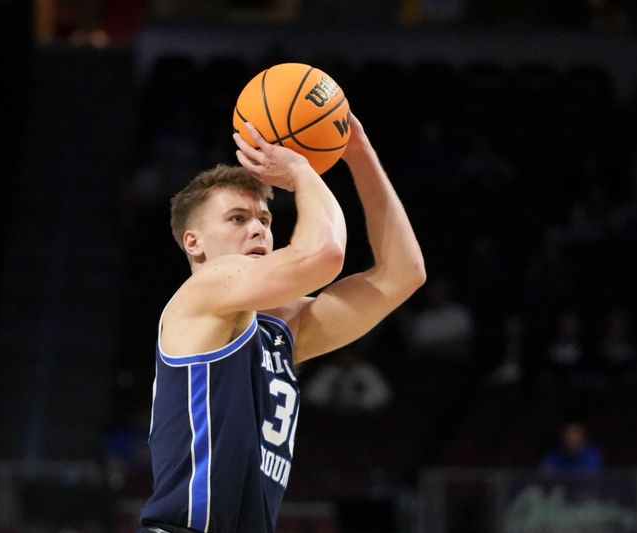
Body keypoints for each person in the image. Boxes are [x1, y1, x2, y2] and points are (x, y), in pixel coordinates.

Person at [136, 113, 426, 533]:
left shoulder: (279, 329)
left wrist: (361, 155)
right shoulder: (203, 292)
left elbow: (403, 274)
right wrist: (300, 169)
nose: (258, 229)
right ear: (193, 243)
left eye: (265, 221)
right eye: (238, 219)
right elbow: (324, 254)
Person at [302, 342, 394, 414]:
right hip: (332, 417)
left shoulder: (366, 371)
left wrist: (359, 404)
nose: (346, 361)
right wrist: (331, 401)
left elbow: (383, 396)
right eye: (343, 357)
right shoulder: (330, 371)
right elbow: (311, 395)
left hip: (363, 418)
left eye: (350, 357)